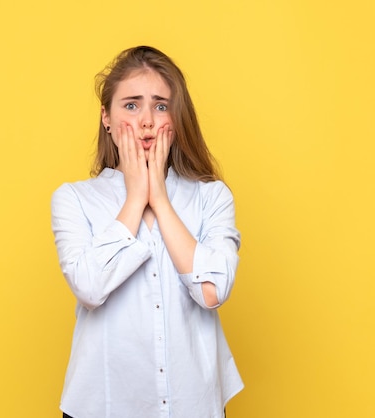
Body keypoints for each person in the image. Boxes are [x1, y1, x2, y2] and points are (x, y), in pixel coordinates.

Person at [51, 46, 243, 418]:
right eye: (131, 105)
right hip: (104, 405)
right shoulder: (74, 199)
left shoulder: (210, 197)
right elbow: (89, 287)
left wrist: (161, 200)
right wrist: (136, 197)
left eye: (160, 105)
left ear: (177, 116)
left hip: (193, 405)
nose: (146, 122)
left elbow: (212, 291)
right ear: (106, 117)